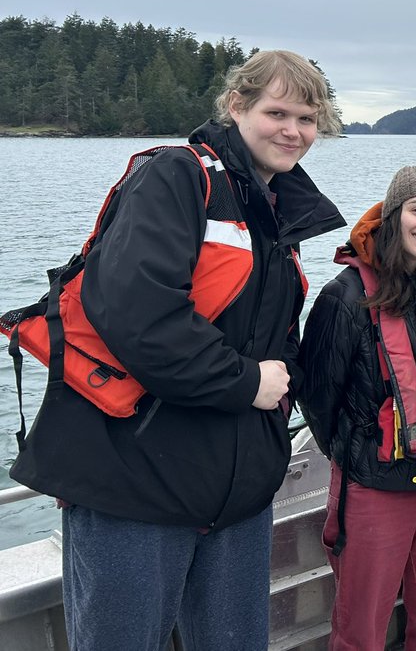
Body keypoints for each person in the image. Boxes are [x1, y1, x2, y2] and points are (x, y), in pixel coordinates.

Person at [8, 50, 345, 651]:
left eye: (308, 118)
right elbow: (139, 318)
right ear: (237, 106)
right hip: (133, 484)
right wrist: (246, 384)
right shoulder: (176, 176)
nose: (293, 130)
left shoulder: (273, 211)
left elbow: (271, 340)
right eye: (277, 112)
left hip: (236, 493)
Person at [298, 166, 416, 651]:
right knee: (362, 629)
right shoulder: (345, 297)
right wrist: (357, 453)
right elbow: (318, 397)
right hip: (375, 484)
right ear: (393, 216)